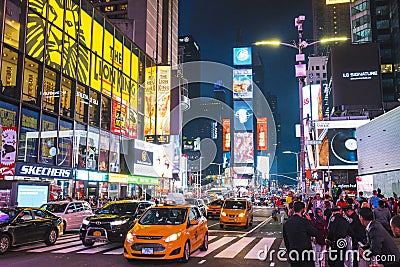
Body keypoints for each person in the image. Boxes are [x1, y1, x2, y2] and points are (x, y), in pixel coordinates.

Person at [283, 201, 318, 267]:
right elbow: (315, 233)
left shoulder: (287, 223)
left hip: (293, 252)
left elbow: (286, 240)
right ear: (303, 210)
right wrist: (310, 221)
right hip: (305, 253)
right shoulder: (305, 222)